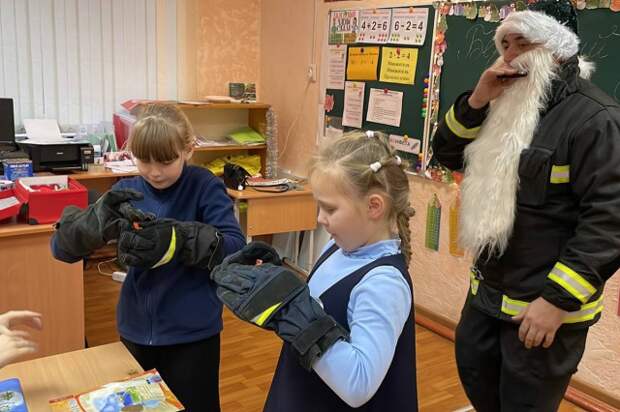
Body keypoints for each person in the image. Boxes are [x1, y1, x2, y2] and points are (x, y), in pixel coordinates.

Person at [431, 0, 620, 410]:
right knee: (478, 383)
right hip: (487, 297)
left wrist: (556, 302)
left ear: (558, 49)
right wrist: (477, 99)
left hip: (543, 312)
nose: (511, 57)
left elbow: (609, 223)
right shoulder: (502, 101)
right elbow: (446, 153)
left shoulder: (596, 119)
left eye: (524, 44)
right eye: (506, 45)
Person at [51, 103, 246, 411]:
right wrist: (90, 227)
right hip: (135, 329)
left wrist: (179, 239)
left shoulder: (204, 186)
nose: (154, 171)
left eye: (166, 161)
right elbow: (60, 249)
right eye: (143, 160)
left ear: (188, 150)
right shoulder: (126, 191)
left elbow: (235, 248)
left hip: (193, 334)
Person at [211, 130, 418, 411]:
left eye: (330, 209)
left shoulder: (384, 283)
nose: (320, 218)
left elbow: (358, 384)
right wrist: (279, 286)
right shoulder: (337, 247)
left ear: (374, 206)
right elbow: (322, 306)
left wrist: (297, 317)